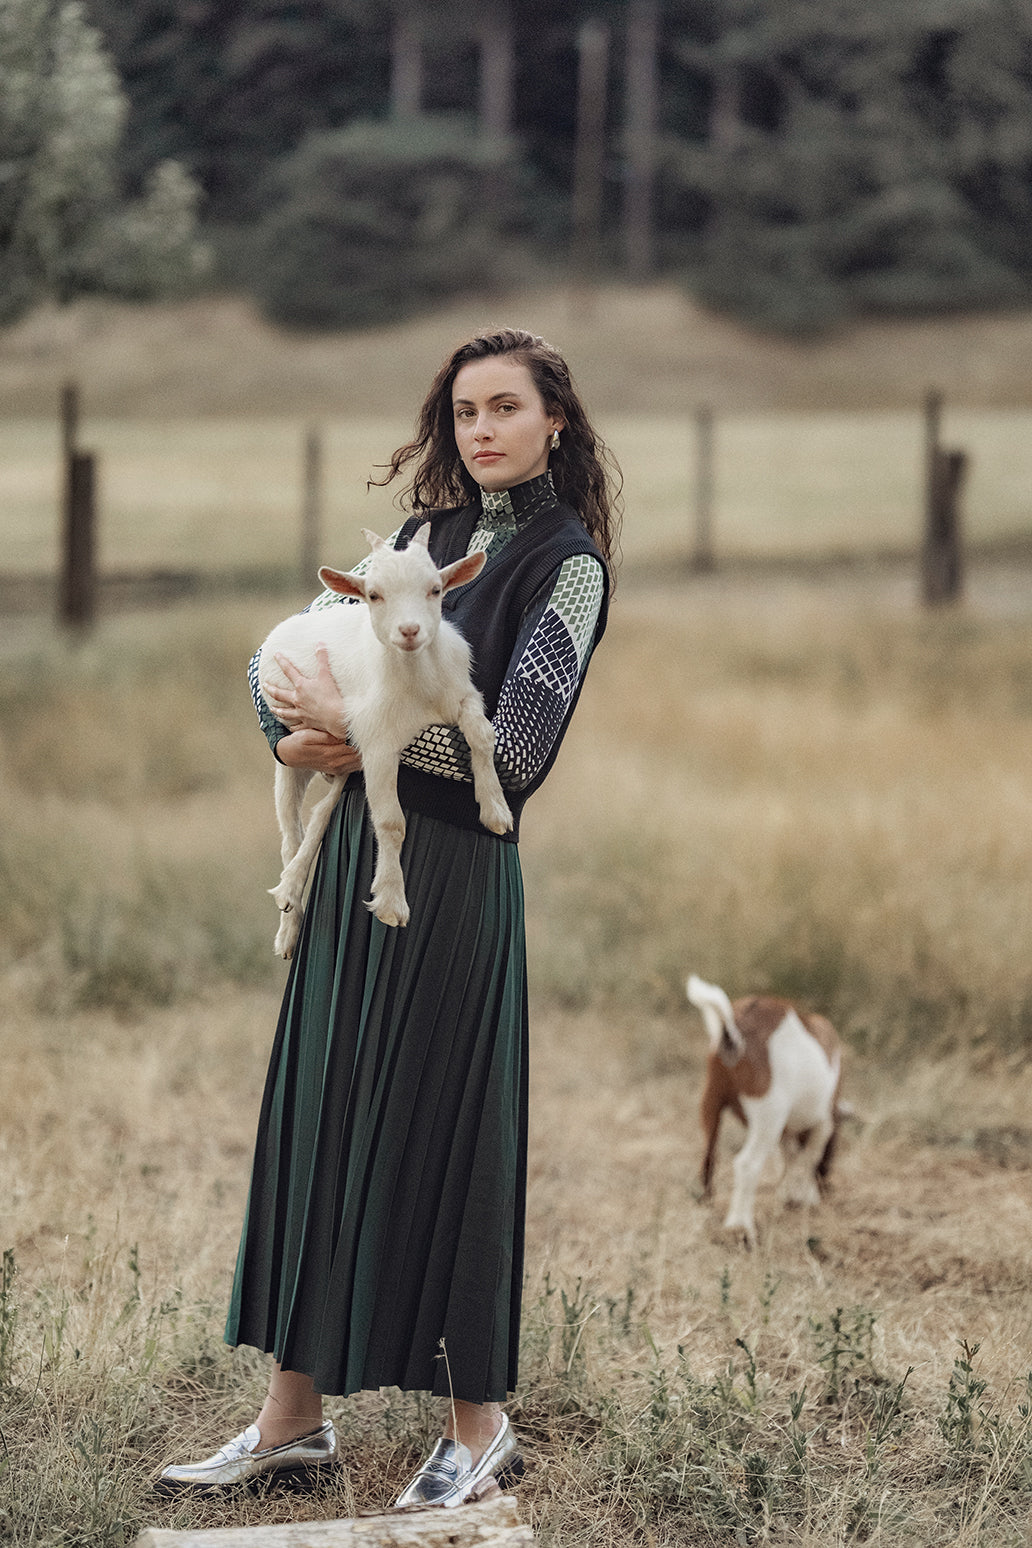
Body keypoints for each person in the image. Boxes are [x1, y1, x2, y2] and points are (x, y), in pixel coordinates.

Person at [155, 327, 620, 1507]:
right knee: (321, 1117)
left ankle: (480, 1427)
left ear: (554, 421)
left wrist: (361, 737)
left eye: (507, 408)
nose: (483, 430)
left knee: (445, 1132)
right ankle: (290, 1420)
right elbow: (304, 669)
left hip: (457, 881)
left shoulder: (566, 565)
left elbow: (514, 753)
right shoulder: (414, 544)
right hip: (357, 858)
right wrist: (290, 736)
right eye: (466, 412)